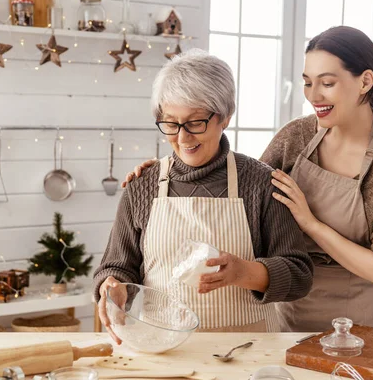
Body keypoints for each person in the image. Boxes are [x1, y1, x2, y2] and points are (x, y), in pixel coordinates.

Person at [122, 26, 373, 333]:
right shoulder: (298, 136)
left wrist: (312, 224)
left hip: (353, 321)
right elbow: (244, 185)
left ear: (365, 81)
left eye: (327, 83)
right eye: (307, 83)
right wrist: (169, 169)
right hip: (284, 311)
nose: (313, 96)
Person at [94, 49, 313, 343]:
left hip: (246, 348)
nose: (182, 138)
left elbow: (299, 275)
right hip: (162, 345)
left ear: (225, 117)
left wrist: (244, 273)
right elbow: (117, 266)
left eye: (195, 122)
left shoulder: (261, 183)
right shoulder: (143, 185)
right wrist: (112, 286)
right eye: (171, 123)